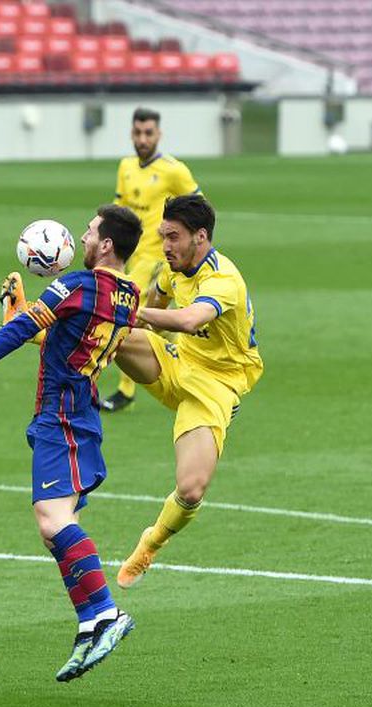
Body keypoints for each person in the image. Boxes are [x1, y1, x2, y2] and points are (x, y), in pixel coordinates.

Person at [0, 205, 142, 682]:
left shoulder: (79, 286)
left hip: (61, 415)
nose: (83, 237)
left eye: (89, 231)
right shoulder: (129, 295)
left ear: (106, 244)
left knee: (51, 519)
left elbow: (28, 330)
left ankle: (106, 613)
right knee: (54, 529)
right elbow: (65, 340)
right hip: (78, 412)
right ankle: (90, 624)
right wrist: (24, 314)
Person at [110, 194, 262, 588]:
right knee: (113, 333)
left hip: (216, 384)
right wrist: (129, 328)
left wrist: (134, 313)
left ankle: (150, 543)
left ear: (201, 236)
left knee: (191, 489)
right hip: (176, 363)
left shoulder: (223, 279)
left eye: (174, 237)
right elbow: (156, 306)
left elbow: (191, 318)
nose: (166, 246)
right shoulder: (171, 269)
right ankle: (29, 323)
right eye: (163, 236)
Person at [101, 107, 202, 412]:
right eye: (137, 132)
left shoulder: (174, 170)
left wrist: (185, 246)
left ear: (159, 134)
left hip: (159, 258)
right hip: (133, 255)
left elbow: (200, 207)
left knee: (122, 310)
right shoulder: (126, 166)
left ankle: (125, 389)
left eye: (148, 133)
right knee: (153, 321)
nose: (142, 139)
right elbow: (120, 209)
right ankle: (193, 352)